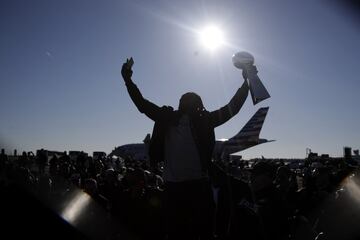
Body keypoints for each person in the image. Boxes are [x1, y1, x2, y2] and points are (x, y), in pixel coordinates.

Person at [121, 58, 249, 240]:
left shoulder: (169, 118)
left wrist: (128, 80)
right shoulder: (196, 120)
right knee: (193, 232)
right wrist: (246, 83)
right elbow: (232, 108)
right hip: (191, 187)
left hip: (182, 187)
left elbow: (142, 104)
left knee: (182, 232)